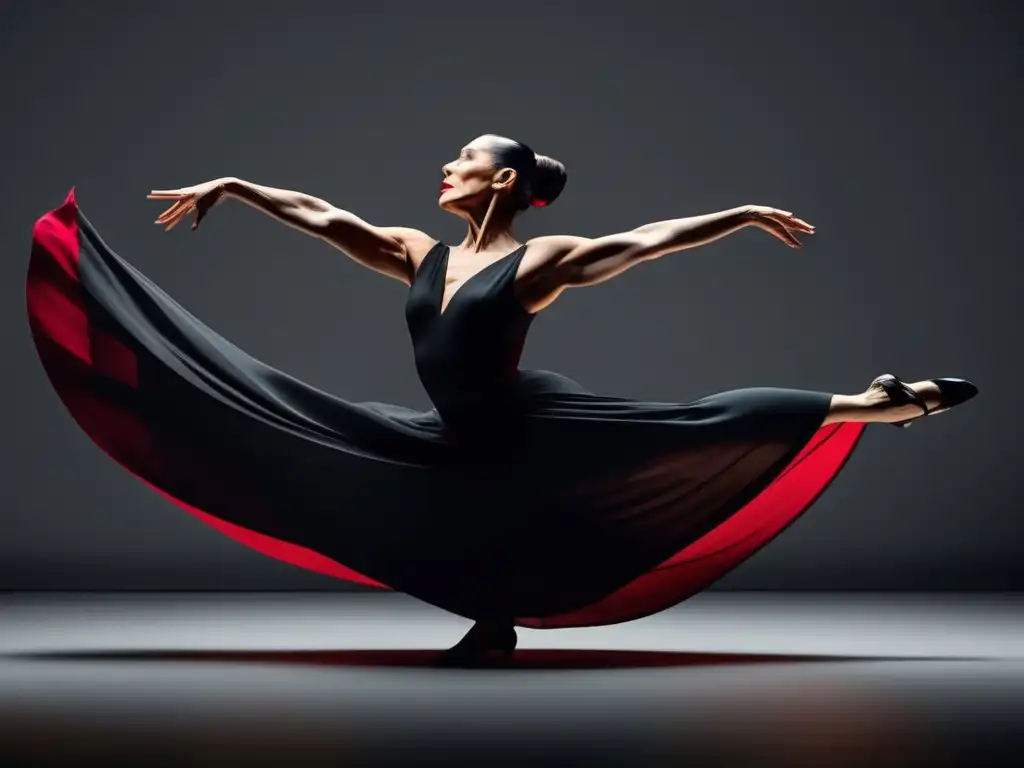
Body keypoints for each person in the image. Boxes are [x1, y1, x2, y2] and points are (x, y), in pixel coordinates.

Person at [26, 134, 976, 664]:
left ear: (505, 180)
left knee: (698, 423)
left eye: (465, 160)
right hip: (456, 434)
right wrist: (235, 185)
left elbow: (647, 240)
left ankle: (872, 403)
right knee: (310, 435)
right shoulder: (414, 249)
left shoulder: (540, 262)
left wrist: (735, 215)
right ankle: (495, 620)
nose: (446, 167)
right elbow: (325, 216)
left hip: (534, 421)